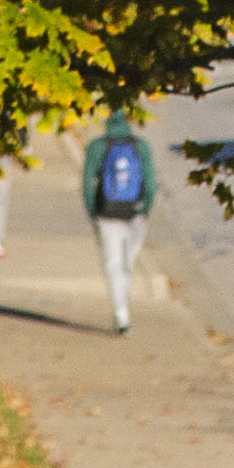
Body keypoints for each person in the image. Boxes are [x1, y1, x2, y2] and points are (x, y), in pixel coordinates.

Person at [80, 113, 157, 331]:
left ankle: (121, 313)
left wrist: (93, 213)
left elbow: (87, 184)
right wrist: (145, 210)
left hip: (107, 215)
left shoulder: (97, 147)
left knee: (113, 264)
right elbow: (151, 183)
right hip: (135, 214)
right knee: (128, 264)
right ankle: (124, 305)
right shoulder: (141, 146)